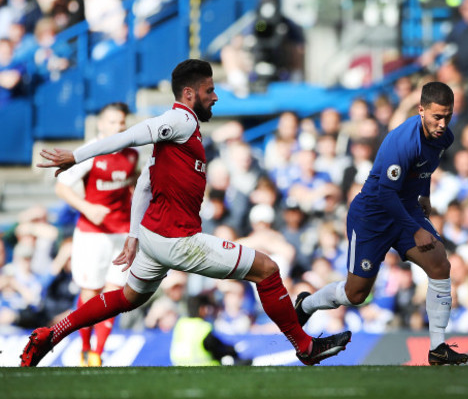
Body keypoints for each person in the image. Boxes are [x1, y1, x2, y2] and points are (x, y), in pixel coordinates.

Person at [21, 59, 351, 367]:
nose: (216, 97)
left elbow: (144, 186)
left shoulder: (182, 135)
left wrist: (135, 236)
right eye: (209, 90)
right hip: (177, 239)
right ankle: (305, 347)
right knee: (267, 269)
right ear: (189, 93)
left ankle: (50, 334)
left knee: (125, 297)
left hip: (153, 237)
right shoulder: (179, 119)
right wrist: (76, 156)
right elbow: (132, 134)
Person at [294, 81, 468, 365]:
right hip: (372, 216)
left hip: (405, 210)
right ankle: (308, 303)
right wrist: (415, 230)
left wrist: (423, 195)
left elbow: (425, 169)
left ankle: (438, 348)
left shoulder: (443, 137)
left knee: (440, 264)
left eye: (448, 116)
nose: (443, 123)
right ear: (421, 110)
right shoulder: (402, 142)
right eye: (437, 116)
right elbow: (386, 193)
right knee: (355, 294)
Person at [55, 102, 138, 366]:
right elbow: (62, 186)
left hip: (122, 233)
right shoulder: (89, 153)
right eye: (113, 122)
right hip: (92, 235)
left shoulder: (132, 154)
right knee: (90, 292)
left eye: (122, 122)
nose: (118, 127)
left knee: (114, 296)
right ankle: (84, 346)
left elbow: (132, 184)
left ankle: (98, 354)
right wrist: (87, 207)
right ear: (101, 125)